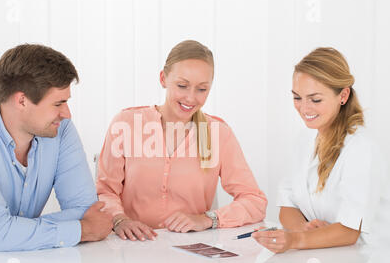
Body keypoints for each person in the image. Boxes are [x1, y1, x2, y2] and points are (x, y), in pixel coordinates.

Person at [0, 44, 113, 252]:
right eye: (58, 104)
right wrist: (82, 231)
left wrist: (10, 235)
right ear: (22, 101)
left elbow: (86, 211)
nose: (66, 113)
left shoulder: (60, 130)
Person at [96, 40, 268, 241]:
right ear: (163, 78)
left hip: (190, 250)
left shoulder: (218, 133)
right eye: (182, 86)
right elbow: (105, 191)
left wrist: (208, 219)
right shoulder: (126, 123)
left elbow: (255, 201)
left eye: (201, 89)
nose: (191, 98)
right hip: (131, 247)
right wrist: (119, 220)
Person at [253, 47, 390, 253]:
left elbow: (349, 231)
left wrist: (295, 240)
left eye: (315, 99)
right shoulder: (305, 139)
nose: (304, 108)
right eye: (297, 97)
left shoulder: (361, 148)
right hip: (325, 261)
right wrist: (304, 230)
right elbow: (287, 205)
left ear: (343, 95)